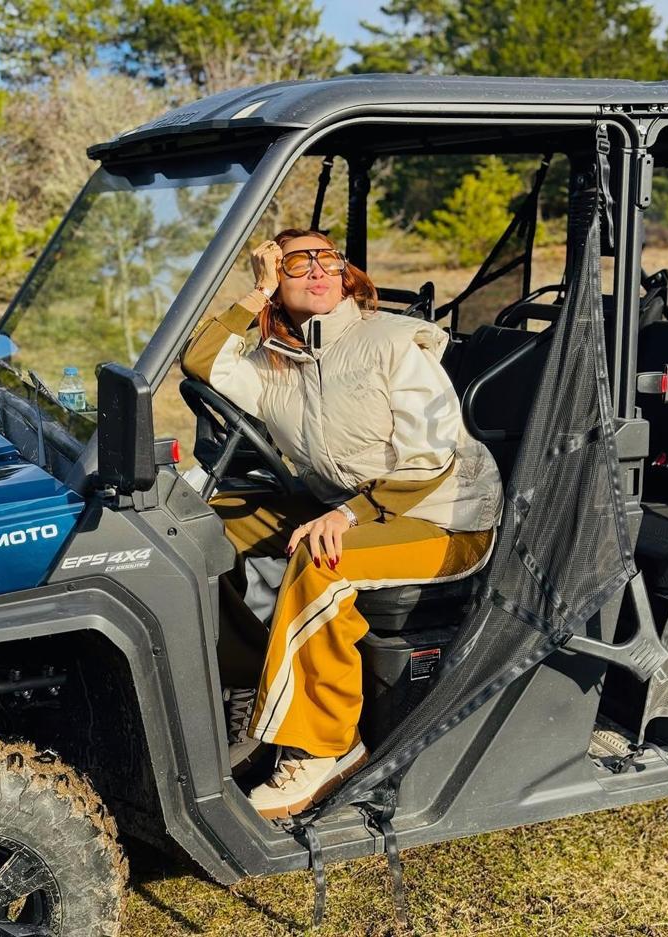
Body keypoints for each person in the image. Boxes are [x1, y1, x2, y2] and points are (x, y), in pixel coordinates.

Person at [181, 228, 503, 819]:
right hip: (351, 505)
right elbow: (201, 360)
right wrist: (254, 294)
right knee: (202, 527)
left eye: (328, 259)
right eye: (296, 264)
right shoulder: (274, 363)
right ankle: (258, 689)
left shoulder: (392, 342)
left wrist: (350, 514)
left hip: (445, 517)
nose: (318, 270)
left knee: (323, 562)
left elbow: (431, 458)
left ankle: (325, 747)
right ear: (275, 281)